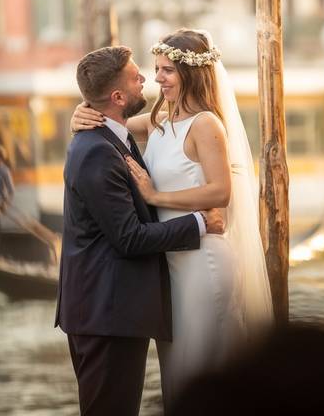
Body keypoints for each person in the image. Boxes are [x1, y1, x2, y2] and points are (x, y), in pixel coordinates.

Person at [71, 29, 273, 410]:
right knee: (178, 378)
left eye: (168, 71)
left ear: (192, 74)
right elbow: (109, 120)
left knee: (203, 373)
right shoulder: (158, 120)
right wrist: (79, 113)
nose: (158, 78)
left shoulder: (206, 125)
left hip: (203, 262)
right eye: (156, 69)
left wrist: (154, 196)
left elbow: (220, 192)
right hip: (171, 267)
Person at [55, 45, 226, 416]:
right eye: (138, 76)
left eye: (166, 70)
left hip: (119, 305)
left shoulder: (116, 134)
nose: (148, 79)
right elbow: (129, 237)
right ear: (117, 96)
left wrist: (82, 111)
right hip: (106, 311)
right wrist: (199, 221)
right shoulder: (98, 150)